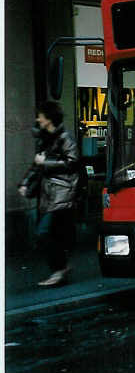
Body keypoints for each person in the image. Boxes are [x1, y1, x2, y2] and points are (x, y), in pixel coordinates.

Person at [18, 101, 80, 287]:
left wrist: (47, 162)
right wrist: (25, 183)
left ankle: (59, 269)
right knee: (51, 234)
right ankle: (60, 268)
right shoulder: (45, 139)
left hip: (61, 192)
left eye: (41, 116)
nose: (38, 119)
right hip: (48, 194)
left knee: (43, 232)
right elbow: (36, 164)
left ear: (49, 118)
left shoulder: (65, 138)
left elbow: (73, 163)